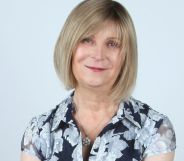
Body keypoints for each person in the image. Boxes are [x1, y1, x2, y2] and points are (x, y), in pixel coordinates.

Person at [21, 0, 176, 161]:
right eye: (87, 40)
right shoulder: (39, 131)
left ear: (126, 56)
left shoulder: (155, 129)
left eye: (112, 44)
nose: (98, 54)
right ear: (68, 47)